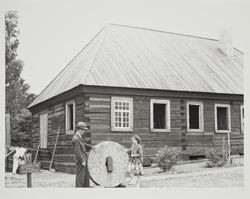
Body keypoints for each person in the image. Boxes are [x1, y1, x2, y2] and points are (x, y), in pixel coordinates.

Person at [72, 121, 94, 187]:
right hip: (81, 160)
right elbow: (77, 151)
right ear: (80, 130)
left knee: (85, 175)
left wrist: (91, 147)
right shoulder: (76, 138)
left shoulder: (79, 137)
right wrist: (82, 161)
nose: (84, 131)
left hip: (84, 158)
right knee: (80, 176)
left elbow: (83, 144)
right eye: (84, 130)